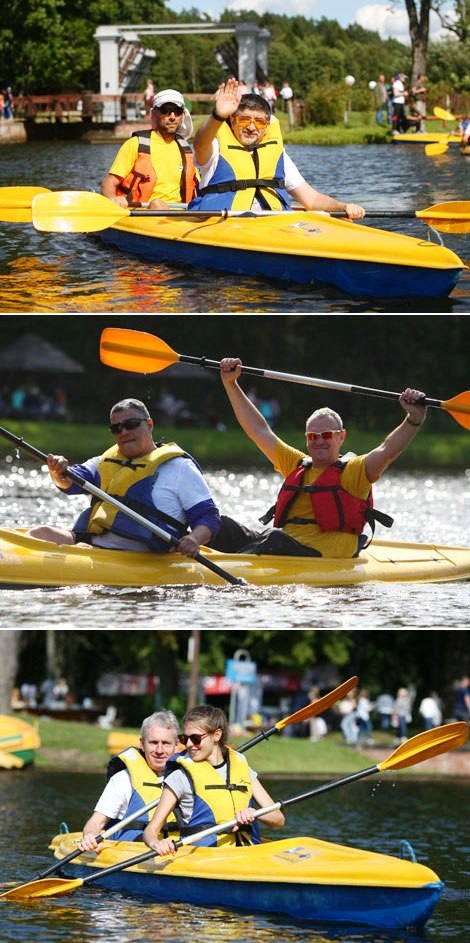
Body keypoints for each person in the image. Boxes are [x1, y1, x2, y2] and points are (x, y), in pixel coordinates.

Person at [209, 363, 427, 558]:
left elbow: (387, 450)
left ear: (341, 437)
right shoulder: (297, 464)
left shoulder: (354, 472)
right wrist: (231, 384)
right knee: (219, 525)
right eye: (313, 436)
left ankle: (237, 561)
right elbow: (258, 430)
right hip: (279, 544)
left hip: (318, 554)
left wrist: (413, 419)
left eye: (327, 435)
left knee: (274, 539)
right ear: (306, 439)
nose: (319, 441)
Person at [28, 398, 220, 558]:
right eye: (116, 428)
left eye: (131, 425)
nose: (124, 432)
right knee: (40, 533)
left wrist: (193, 539)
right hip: (92, 542)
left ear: (149, 424)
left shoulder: (179, 468)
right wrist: (57, 471)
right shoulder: (104, 461)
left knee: (80, 551)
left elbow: (208, 516)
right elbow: (69, 482)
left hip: (139, 555)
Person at [188, 78, 365, 218]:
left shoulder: (277, 154)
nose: (251, 127)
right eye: (244, 120)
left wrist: (343, 206)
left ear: (267, 126)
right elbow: (200, 143)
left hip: (272, 224)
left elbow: (312, 199)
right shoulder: (215, 148)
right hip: (222, 223)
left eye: (259, 122)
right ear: (232, 121)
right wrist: (218, 116)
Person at [143, 705, 285, 854]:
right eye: (185, 738)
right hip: (203, 859)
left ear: (216, 735)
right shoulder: (180, 776)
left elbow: (278, 819)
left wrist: (255, 813)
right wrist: (156, 843)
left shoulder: (243, 769)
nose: (189, 744)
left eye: (196, 738)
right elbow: (151, 830)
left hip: (246, 855)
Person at [79, 711, 180, 851]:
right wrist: (90, 836)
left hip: (175, 852)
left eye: (166, 743)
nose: (159, 750)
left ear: (177, 745)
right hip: (130, 853)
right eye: (153, 742)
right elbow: (95, 823)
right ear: (142, 744)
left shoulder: (187, 780)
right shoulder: (123, 779)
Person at [101, 88, 197, 210]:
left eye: (177, 111)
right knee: (157, 204)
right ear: (154, 113)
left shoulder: (185, 149)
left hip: (180, 217)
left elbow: (197, 186)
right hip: (143, 214)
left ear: (183, 115)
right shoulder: (135, 144)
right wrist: (113, 199)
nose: (172, 117)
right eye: (165, 110)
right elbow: (109, 183)